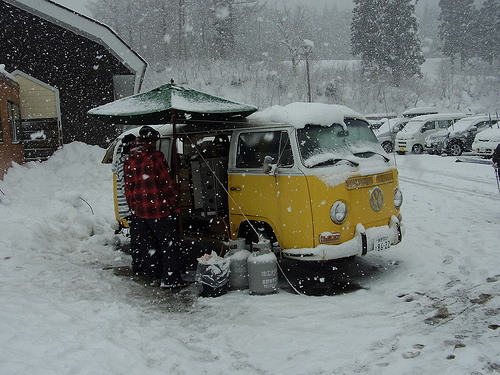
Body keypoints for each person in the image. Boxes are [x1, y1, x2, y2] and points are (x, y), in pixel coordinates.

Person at [124, 126, 186, 288]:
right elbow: (167, 185)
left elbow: (128, 187)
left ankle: (154, 277)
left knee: (149, 245)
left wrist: (133, 207)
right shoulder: (156, 157)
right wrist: (176, 206)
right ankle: (170, 279)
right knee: (170, 245)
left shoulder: (129, 158)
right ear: (152, 140)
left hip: (139, 211)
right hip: (158, 210)